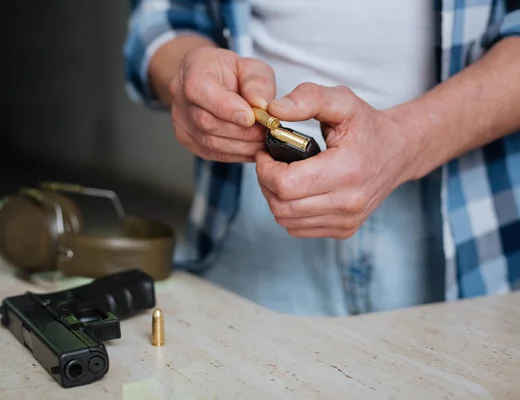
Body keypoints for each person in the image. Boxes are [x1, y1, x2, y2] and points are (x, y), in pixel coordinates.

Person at [123, 0, 520, 316]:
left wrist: (405, 140)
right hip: (249, 209)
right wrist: (189, 75)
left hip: (467, 221)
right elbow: (165, 16)